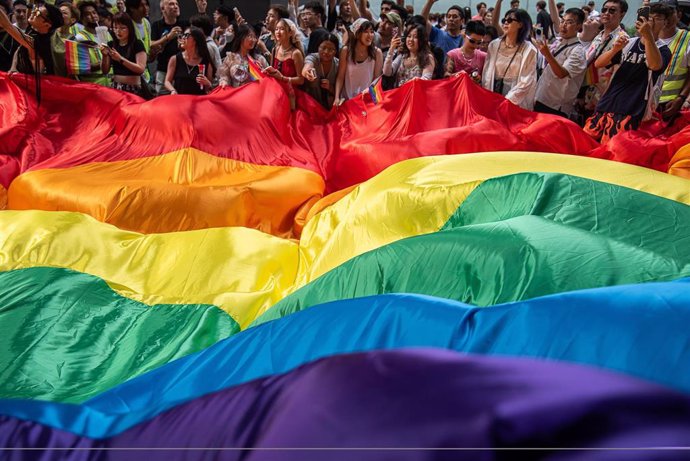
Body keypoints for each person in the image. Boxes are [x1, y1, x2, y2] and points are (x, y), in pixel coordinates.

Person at [584, 3, 672, 142]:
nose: (652, 22)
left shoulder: (663, 50)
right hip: (607, 103)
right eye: (649, 17)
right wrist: (615, 49)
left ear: (665, 23)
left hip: (632, 110)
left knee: (612, 151)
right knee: (587, 143)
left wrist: (648, 36)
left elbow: (655, 65)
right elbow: (598, 63)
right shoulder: (629, 42)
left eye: (658, 18)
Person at [579, 0, 629, 119]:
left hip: (603, 99)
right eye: (604, 9)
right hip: (587, 95)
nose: (606, 13)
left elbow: (618, 72)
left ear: (622, 14)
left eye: (612, 10)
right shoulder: (598, 35)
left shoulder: (623, 40)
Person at [534, 7, 587, 117]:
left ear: (579, 26)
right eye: (562, 21)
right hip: (542, 98)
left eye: (569, 22)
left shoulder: (578, 51)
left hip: (555, 107)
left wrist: (547, 54)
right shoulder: (560, 43)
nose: (563, 25)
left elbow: (561, 73)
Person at [482, 8, 538, 109]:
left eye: (510, 20)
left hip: (516, 99)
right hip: (493, 91)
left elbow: (526, 81)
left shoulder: (529, 50)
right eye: (504, 20)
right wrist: (487, 96)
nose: (505, 23)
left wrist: (508, 101)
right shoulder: (494, 45)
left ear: (521, 24)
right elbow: (487, 73)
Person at [656, 0, 690, 122]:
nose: (666, 17)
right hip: (644, 103)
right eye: (661, 13)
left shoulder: (687, 39)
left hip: (671, 105)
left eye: (670, 12)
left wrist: (681, 98)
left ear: (679, 15)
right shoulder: (647, 37)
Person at [334, 18, 382, 104]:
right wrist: (337, 97)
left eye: (371, 32)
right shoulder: (346, 51)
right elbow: (340, 77)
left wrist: (374, 102)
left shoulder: (377, 53)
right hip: (347, 101)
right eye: (365, 32)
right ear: (357, 33)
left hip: (366, 101)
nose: (370, 35)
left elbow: (376, 81)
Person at [100, 12, 146, 95]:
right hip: (116, 87)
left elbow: (140, 69)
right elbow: (105, 71)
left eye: (123, 28)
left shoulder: (137, 44)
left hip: (134, 88)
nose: (118, 31)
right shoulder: (111, 44)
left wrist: (120, 59)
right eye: (115, 28)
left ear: (130, 28)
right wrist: (104, 55)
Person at [164, 26, 214, 95]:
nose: (183, 38)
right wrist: (172, 90)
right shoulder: (175, 59)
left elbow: (209, 89)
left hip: (198, 102)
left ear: (196, 40)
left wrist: (208, 83)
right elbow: (167, 81)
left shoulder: (206, 62)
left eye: (186, 35)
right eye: (183, 35)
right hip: (180, 100)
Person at [151, 0, 186, 93]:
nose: (175, 6)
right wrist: (168, 37)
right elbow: (151, 44)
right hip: (163, 69)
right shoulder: (156, 25)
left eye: (176, 4)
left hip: (182, 70)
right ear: (163, 9)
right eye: (171, 4)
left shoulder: (184, 24)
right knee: (161, 101)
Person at [383, 23, 434, 87]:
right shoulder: (402, 56)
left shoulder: (428, 58)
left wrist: (413, 81)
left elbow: (426, 80)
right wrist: (391, 50)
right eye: (409, 36)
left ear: (422, 40)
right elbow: (386, 72)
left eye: (415, 37)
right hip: (398, 95)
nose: (411, 40)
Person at [218, 22, 268, 88]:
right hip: (236, 95)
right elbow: (224, 76)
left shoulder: (259, 59)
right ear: (241, 37)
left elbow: (267, 78)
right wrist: (224, 82)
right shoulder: (231, 58)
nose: (253, 40)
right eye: (250, 36)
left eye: (254, 37)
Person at [75, 1, 110, 86]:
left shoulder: (106, 33)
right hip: (94, 85)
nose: (93, 16)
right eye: (87, 14)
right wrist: (107, 62)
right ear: (81, 19)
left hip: (111, 83)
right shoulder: (80, 38)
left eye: (94, 12)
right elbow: (82, 67)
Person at [302, 31, 339, 108]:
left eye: (331, 49)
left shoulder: (338, 65)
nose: (326, 52)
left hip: (330, 108)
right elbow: (307, 66)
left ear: (335, 51)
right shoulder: (313, 58)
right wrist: (307, 73)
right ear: (318, 47)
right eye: (323, 48)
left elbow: (341, 91)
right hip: (311, 106)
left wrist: (330, 87)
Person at [265, 18, 304, 86]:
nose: (278, 32)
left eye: (282, 29)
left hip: (291, 92)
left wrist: (282, 78)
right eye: (276, 29)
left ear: (290, 33)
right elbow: (272, 72)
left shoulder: (296, 53)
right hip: (276, 89)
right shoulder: (275, 49)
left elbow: (301, 80)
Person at [51, 2, 78, 78]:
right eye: (58, 12)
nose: (60, 15)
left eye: (64, 13)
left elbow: (74, 69)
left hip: (64, 82)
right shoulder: (49, 33)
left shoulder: (74, 41)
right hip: (47, 80)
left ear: (72, 20)